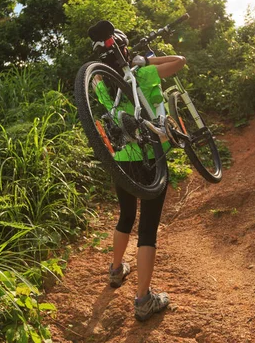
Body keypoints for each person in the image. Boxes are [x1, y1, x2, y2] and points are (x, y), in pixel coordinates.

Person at [95, 28, 186, 321]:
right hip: (151, 159)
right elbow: (180, 61)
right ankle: (143, 299)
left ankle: (116, 268)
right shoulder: (144, 75)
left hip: (122, 160)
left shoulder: (101, 83)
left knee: (125, 216)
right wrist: (146, 61)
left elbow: (96, 77)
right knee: (147, 229)